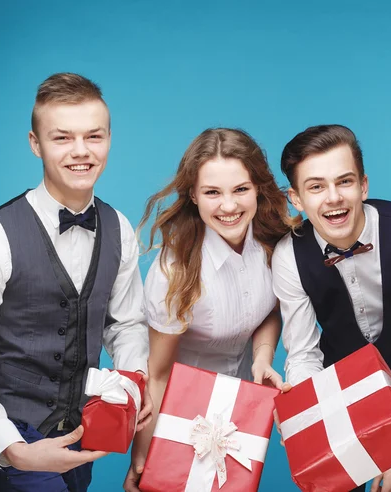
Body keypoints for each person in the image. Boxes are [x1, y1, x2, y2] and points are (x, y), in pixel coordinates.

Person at [0, 73, 152, 492]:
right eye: (62, 138)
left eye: (94, 136)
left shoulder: (119, 227)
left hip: (80, 437)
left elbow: (125, 324)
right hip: (8, 434)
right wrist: (11, 447)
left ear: (110, 138)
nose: (81, 151)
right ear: (35, 143)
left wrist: (132, 385)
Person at [272, 124, 391, 492]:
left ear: (363, 185)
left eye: (345, 182)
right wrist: (310, 423)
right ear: (296, 198)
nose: (333, 197)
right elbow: (303, 354)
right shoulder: (288, 255)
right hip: (338, 402)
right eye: (316, 186)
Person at [123, 128, 296, 491]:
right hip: (181, 414)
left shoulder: (274, 240)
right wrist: (143, 455)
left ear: (258, 189)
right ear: (193, 196)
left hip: (243, 410)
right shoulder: (175, 271)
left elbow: (267, 308)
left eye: (240, 189)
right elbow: (159, 374)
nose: (229, 206)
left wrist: (262, 359)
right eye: (212, 192)